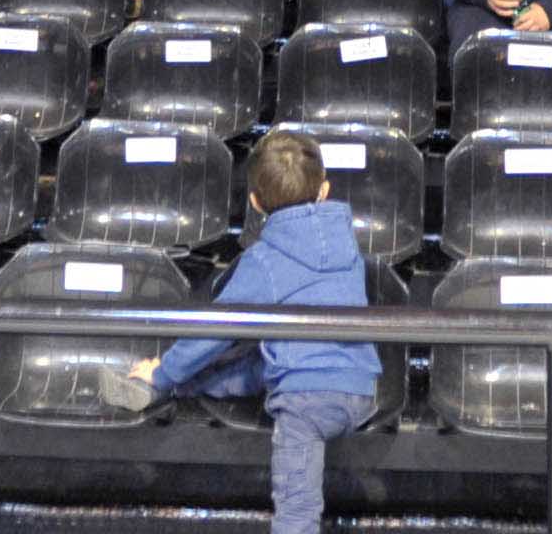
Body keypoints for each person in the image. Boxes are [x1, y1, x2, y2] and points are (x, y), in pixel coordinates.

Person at [131, 132, 375, 534]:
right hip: (359, 386)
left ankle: (165, 384)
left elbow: (214, 332)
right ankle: (186, 386)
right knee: (254, 364)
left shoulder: (263, 260)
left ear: (255, 203)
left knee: (296, 516)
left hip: (305, 403)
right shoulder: (348, 243)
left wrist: (163, 371)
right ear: (326, 189)